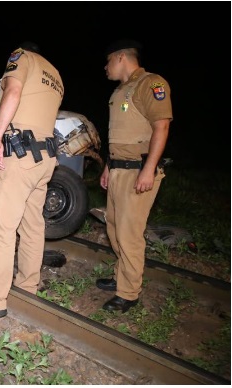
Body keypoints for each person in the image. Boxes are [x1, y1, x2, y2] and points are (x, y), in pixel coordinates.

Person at [0, 41, 64, 319]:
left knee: (0, 229)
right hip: (45, 159)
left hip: (19, 157)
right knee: (32, 225)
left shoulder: (21, 58)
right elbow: (33, 109)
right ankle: (28, 286)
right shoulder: (54, 74)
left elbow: (14, 91)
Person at [96, 40, 173, 313]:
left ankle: (128, 293)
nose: (105, 67)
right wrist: (108, 165)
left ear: (120, 57)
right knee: (114, 228)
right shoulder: (120, 91)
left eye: (108, 61)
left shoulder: (151, 84)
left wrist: (149, 169)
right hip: (118, 169)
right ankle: (121, 277)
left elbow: (161, 127)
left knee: (129, 234)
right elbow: (119, 135)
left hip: (138, 171)